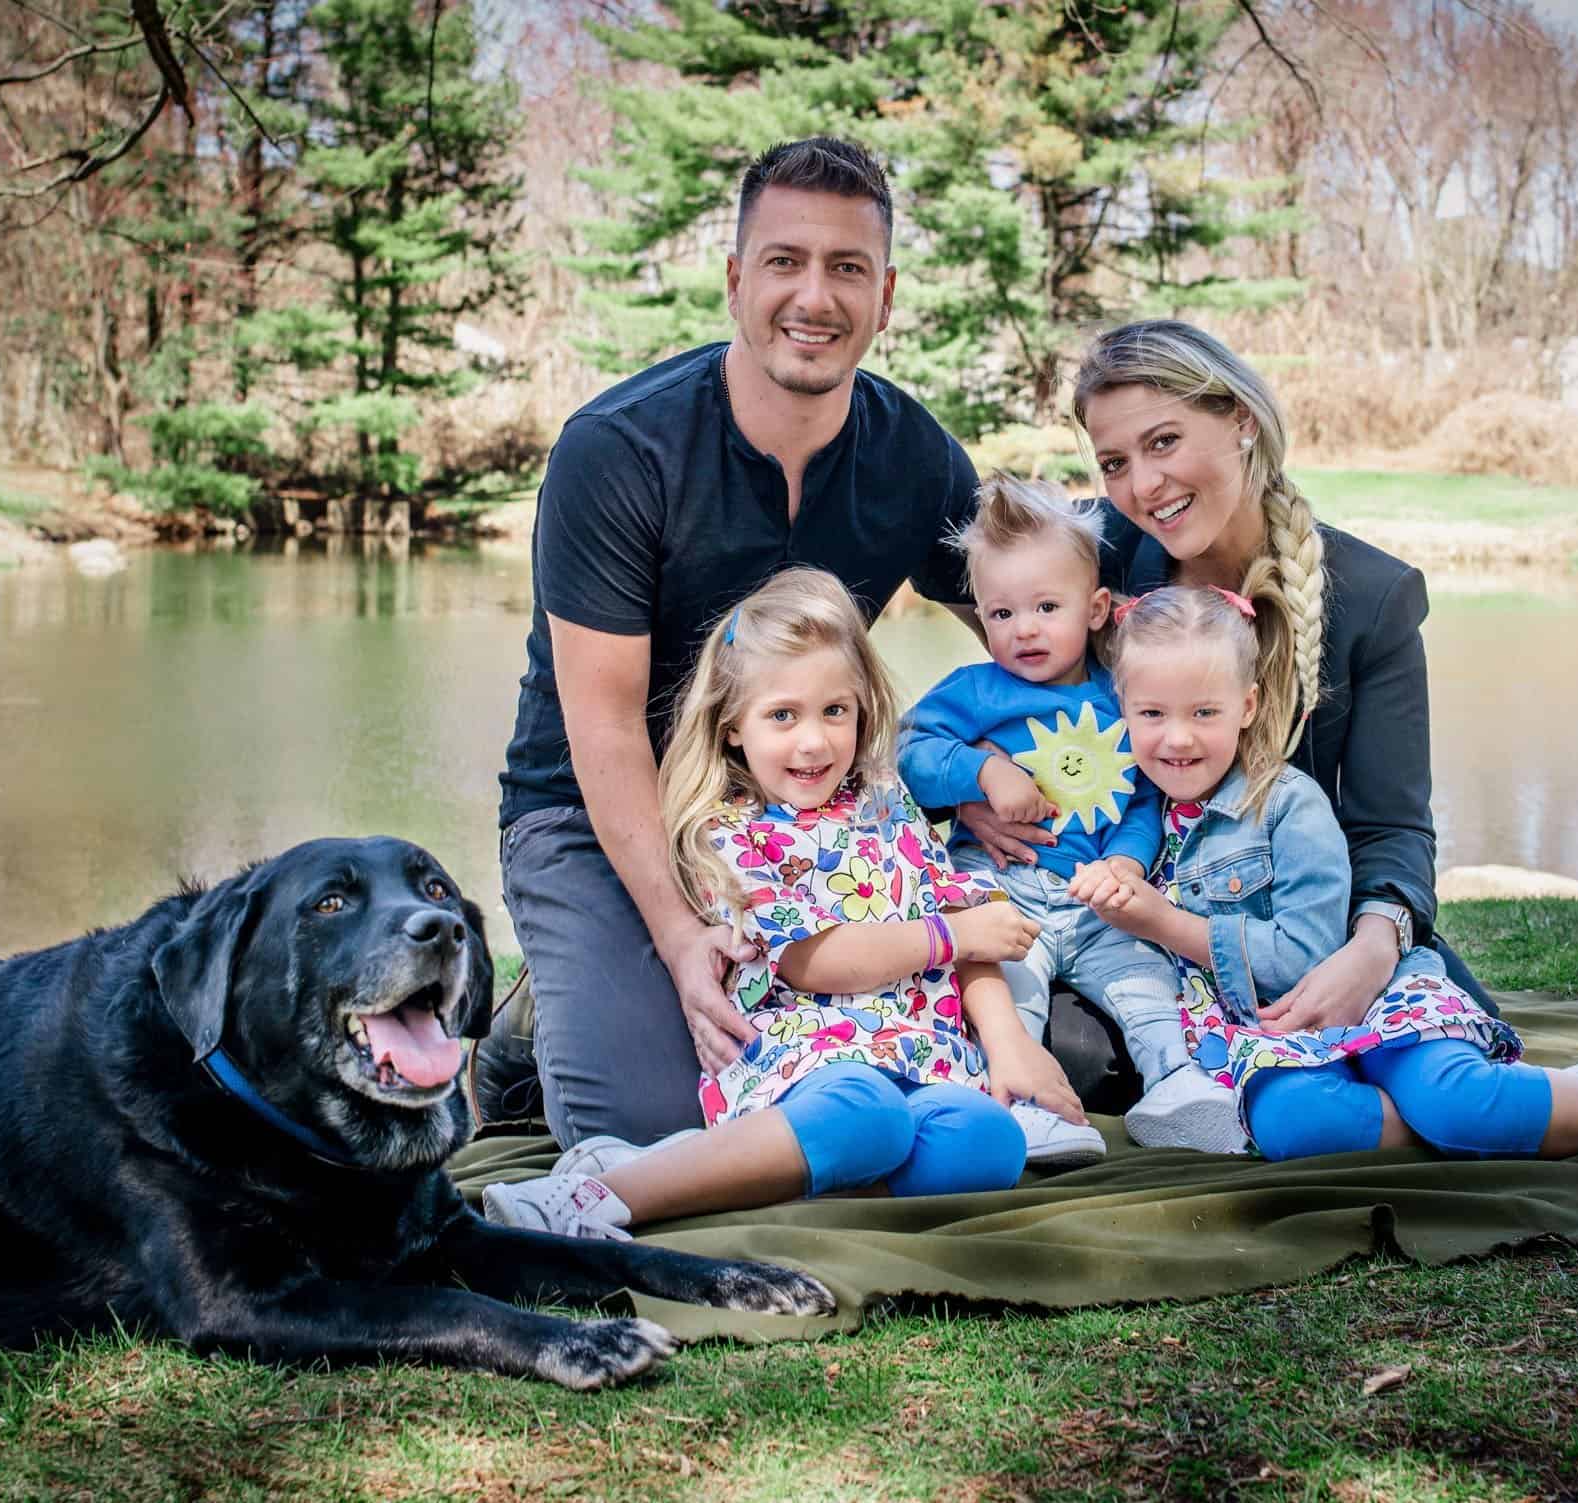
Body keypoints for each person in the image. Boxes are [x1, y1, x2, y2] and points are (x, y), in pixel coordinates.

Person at [489, 138, 983, 1152]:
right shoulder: (618, 451)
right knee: (652, 1127)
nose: (815, 296)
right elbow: (603, 725)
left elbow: (1036, 626)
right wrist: (677, 935)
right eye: (784, 261)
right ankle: (541, 1011)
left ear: (884, 297)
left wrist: (996, 762)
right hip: (598, 811)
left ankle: (587, 998)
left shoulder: (916, 458)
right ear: (733, 281)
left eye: (847, 268)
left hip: (807, 814)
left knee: (969, 1051)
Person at [1070, 582, 1578, 1186]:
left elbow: (1305, 957)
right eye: (1153, 714)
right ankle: (1552, 1111)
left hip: (1360, 996)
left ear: (1247, 707)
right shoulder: (1136, 818)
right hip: (1266, 1040)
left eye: (1203, 711)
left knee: (1448, 1098)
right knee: (1297, 1128)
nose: (1177, 737)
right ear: (1124, 711)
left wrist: (1164, 923)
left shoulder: (1288, 805)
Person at [950, 319, 1492, 1104]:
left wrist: (1371, 949)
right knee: (1081, 1057)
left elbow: (1393, 828)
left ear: (1241, 418)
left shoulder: (1374, 598)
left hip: (1280, 922)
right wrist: (978, 785)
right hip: (1111, 914)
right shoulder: (1090, 550)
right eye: (1114, 463)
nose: (1143, 486)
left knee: (1448, 1060)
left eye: (1164, 442)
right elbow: (997, 657)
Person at [482, 569, 1087, 1237]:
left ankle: (760, 1184)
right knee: (865, 1113)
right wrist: (950, 936)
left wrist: (1006, 1044)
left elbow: (967, 928)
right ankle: (604, 1195)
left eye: (836, 711)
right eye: (782, 715)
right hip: (801, 1068)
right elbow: (811, 960)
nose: (813, 740)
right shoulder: (729, 829)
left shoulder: (885, 802)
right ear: (733, 725)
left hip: (921, 1060)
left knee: (988, 1140)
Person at [899, 475, 1236, 1161]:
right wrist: (983, 773)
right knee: (1005, 989)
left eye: (1046, 606)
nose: (1023, 629)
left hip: (1097, 899)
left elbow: (1144, 800)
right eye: (1000, 614)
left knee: (1145, 984)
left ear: (1096, 607)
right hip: (1003, 890)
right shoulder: (973, 692)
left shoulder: (1124, 697)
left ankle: (1178, 1087)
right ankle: (1027, 1107)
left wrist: (1128, 864)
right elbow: (910, 752)